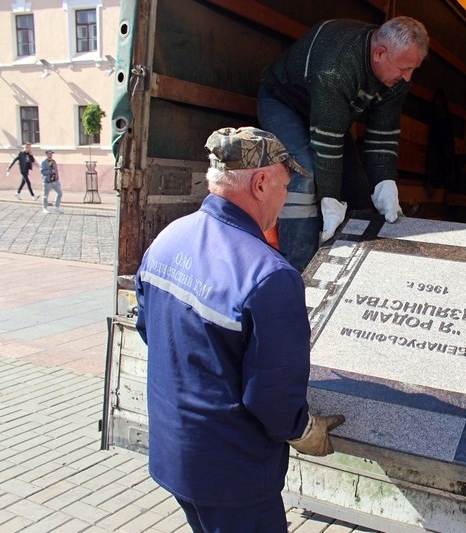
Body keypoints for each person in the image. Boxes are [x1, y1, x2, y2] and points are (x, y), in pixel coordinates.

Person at [135, 126, 345, 532]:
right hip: (233, 474)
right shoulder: (270, 276)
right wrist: (305, 431)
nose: (285, 199)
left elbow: (151, 330)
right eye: (285, 185)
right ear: (261, 183)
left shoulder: (167, 238)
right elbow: (272, 397)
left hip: (173, 452)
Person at [258, 16, 429, 270]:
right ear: (380, 53)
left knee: (357, 188)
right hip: (284, 103)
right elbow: (327, 143)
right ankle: (299, 270)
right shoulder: (337, 66)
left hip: (331, 116)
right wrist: (329, 198)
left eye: (413, 69)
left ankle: (350, 268)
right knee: (305, 174)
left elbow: (382, 135)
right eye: (404, 69)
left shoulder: (395, 77)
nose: (407, 78)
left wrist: (385, 184)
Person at [39, 149, 64, 214]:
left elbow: (56, 170)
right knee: (45, 195)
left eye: (51, 154)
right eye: (49, 153)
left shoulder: (53, 161)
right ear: (46, 154)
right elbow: (42, 171)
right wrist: (50, 171)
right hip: (47, 181)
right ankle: (44, 208)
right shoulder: (43, 162)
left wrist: (57, 178)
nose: (51, 155)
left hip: (54, 181)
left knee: (59, 193)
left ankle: (56, 207)